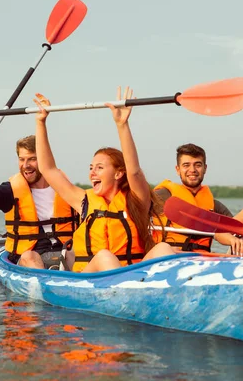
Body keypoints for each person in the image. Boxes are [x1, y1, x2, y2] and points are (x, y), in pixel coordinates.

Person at [33, 87, 177, 273]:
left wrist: (122, 125)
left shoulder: (137, 201)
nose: (92, 173)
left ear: (118, 173)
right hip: (90, 278)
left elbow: (134, 172)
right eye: (91, 168)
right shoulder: (84, 201)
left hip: (133, 277)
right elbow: (48, 169)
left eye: (100, 168)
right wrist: (40, 122)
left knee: (164, 248)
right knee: (105, 256)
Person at [0, 135, 79, 269]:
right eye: (22, 159)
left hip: (64, 251)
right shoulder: (11, 191)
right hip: (28, 256)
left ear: (44, 159)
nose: (26, 165)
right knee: (29, 257)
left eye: (32, 159)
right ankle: (42, 286)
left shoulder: (65, 189)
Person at [152, 143, 233, 252]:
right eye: (186, 165)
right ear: (178, 169)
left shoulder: (215, 206)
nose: (192, 170)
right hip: (168, 259)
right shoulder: (161, 196)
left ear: (205, 168)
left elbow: (237, 229)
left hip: (201, 261)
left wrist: (236, 240)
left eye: (198, 165)